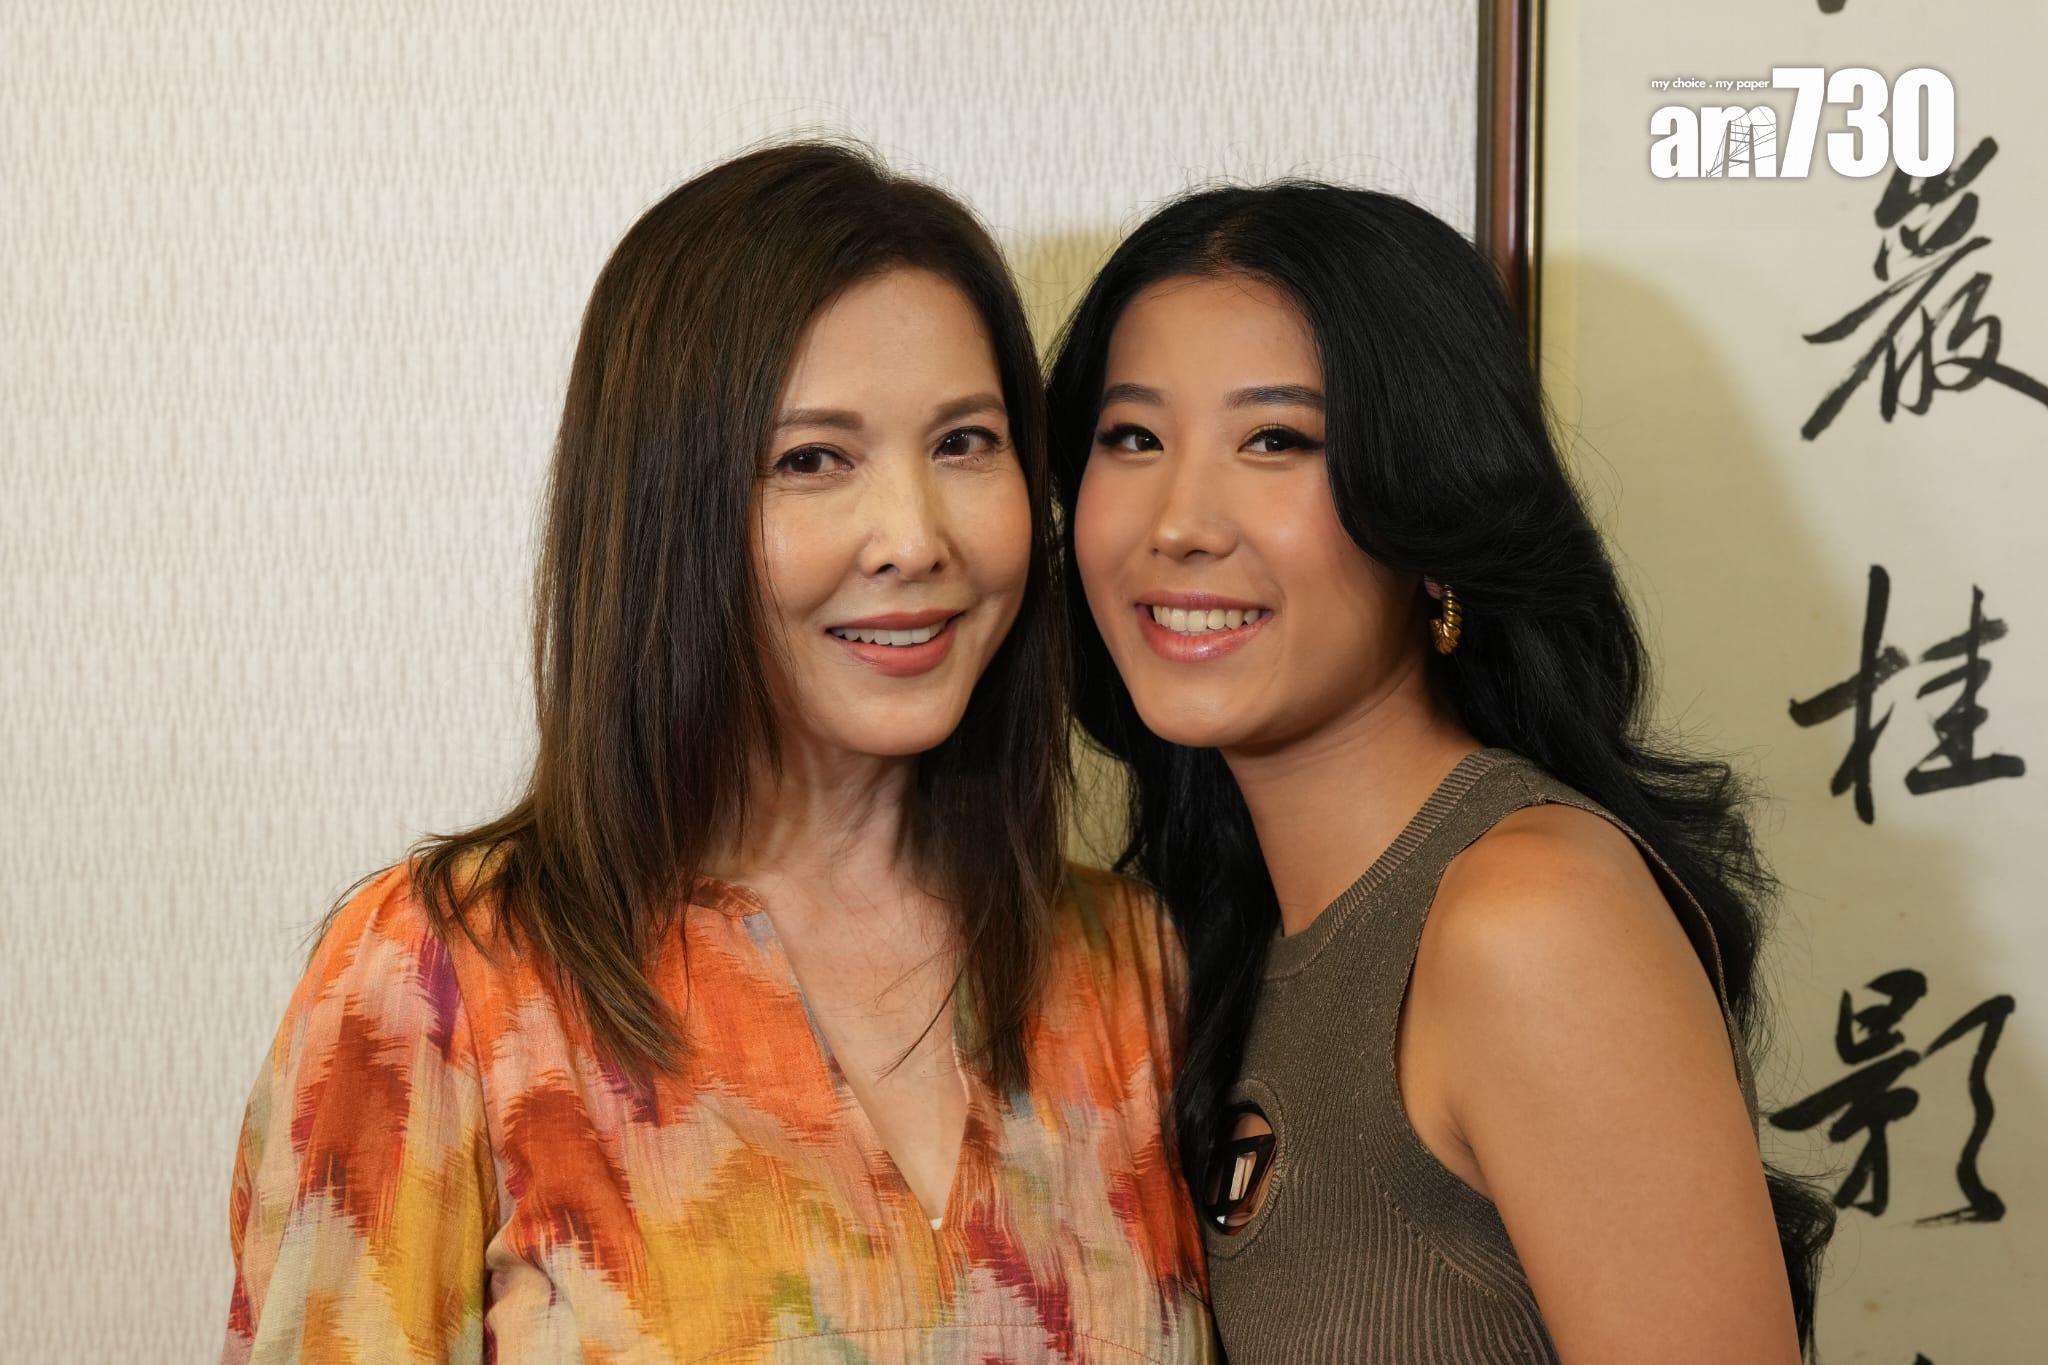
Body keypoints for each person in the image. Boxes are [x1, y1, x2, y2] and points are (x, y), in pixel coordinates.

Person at [221, 142, 1213, 1364]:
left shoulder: (1132, 967)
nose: (913, 538)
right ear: (663, 511)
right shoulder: (440, 980)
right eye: (811, 460)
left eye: (964, 443)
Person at [1046, 183, 1835, 1364]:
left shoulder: (1528, 917)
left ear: (1428, 500)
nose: (1178, 523)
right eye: (1132, 438)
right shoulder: (1212, 939)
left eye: (1276, 440)